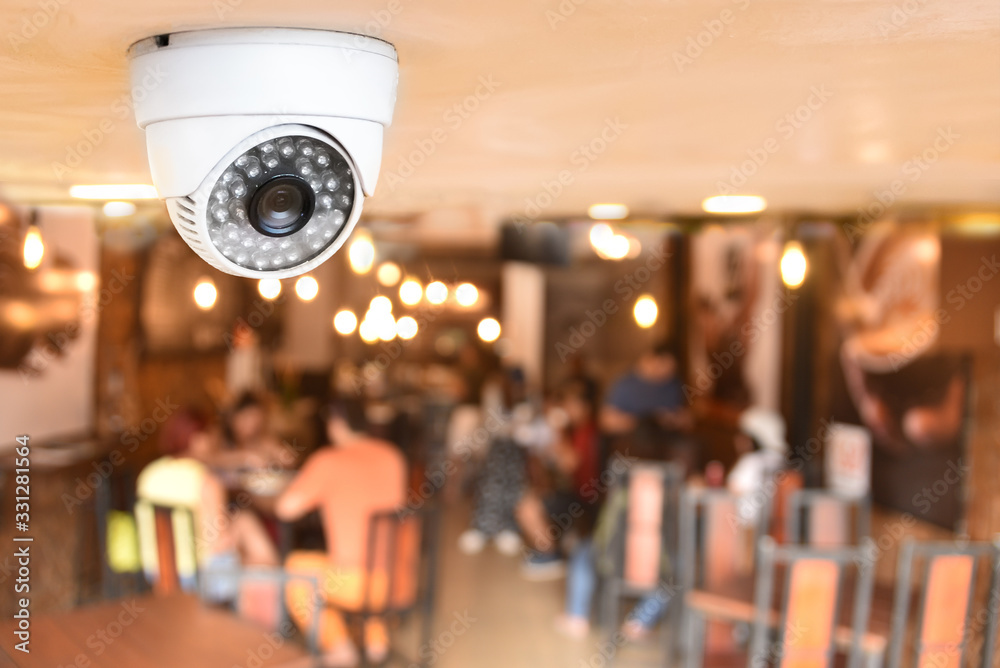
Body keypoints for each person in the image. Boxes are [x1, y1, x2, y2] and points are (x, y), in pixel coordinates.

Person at [276, 400, 407, 667]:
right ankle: (376, 641)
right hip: (399, 579)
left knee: (296, 568)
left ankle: (339, 649)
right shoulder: (393, 456)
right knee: (365, 557)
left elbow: (284, 509)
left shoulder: (328, 460)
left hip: (357, 584)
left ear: (336, 425)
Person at [135, 408, 279, 601]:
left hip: (156, 573)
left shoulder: (149, 474)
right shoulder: (207, 482)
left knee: (243, 522)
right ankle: (264, 622)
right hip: (200, 579)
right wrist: (234, 538)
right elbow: (218, 544)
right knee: (260, 554)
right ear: (197, 439)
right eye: (210, 434)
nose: (214, 440)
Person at [516, 379, 601, 580]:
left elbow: (569, 464)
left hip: (585, 496)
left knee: (526, 506)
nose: (567, 408)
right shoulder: (577, 429)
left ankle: (550, 555)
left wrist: (557, 431)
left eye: (571, 404)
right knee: (533, 494)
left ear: (584, 407)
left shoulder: (587, 431)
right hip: (575, 490)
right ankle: (551, 547)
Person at [601, 342, 694, 469]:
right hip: (633, 446)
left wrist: (673, 420)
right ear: (652, 358)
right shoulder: (624, 384)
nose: (666, 374)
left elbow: (686, 419)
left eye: (671, 371)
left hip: (665, 445)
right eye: (663, 367)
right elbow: (606, 422)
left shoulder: (673, 385)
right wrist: (643, 420)